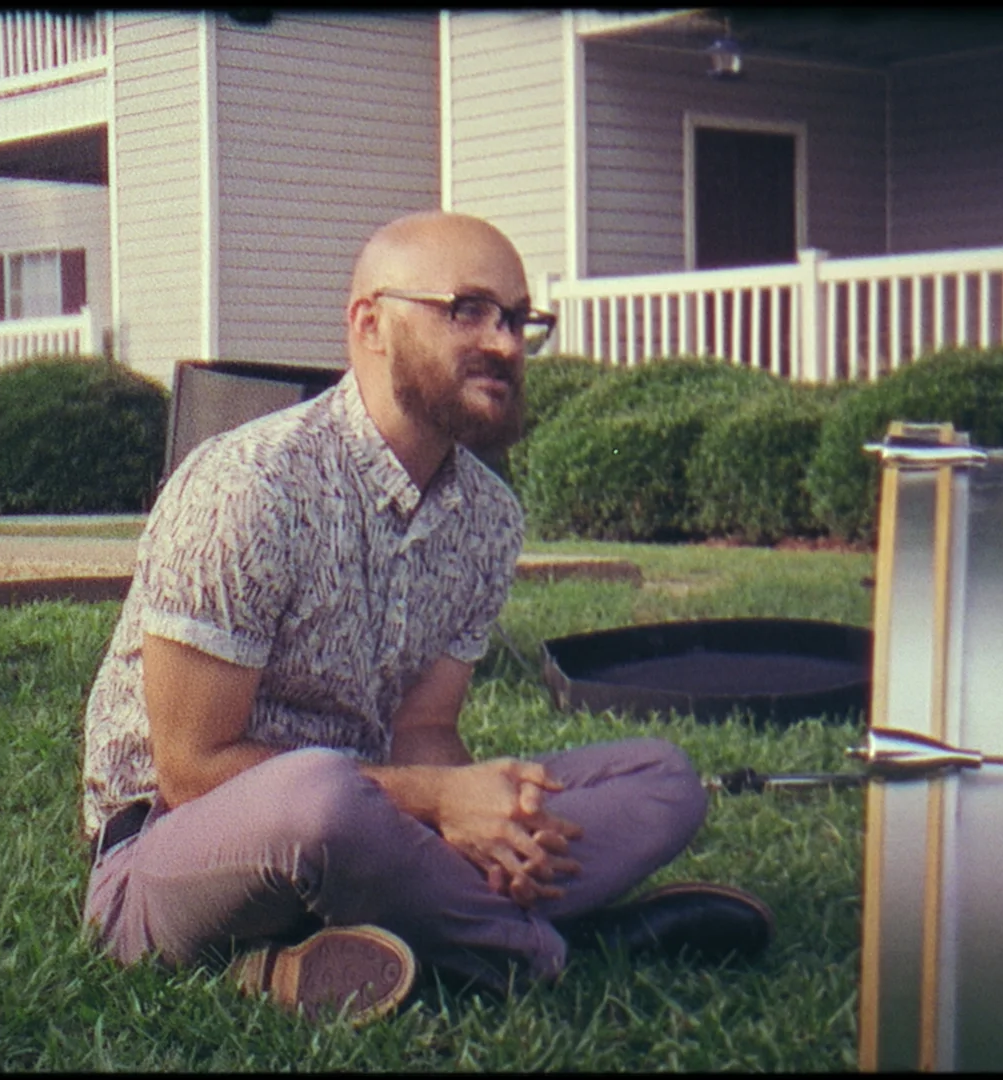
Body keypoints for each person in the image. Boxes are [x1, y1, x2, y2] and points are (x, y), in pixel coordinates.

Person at [79, 211, 773, 1025]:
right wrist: (438, 800)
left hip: (380, 825)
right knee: (320, 796)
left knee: (662, 781)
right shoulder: (248, 488)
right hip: (172, 849)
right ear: (370, 324)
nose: (504, 343)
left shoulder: (488, 517)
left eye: (517, 318)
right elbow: (191, 770)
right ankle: (552, 952)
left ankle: (356, 944)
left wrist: (491, 829)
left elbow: (425, 731)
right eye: (466, 310)